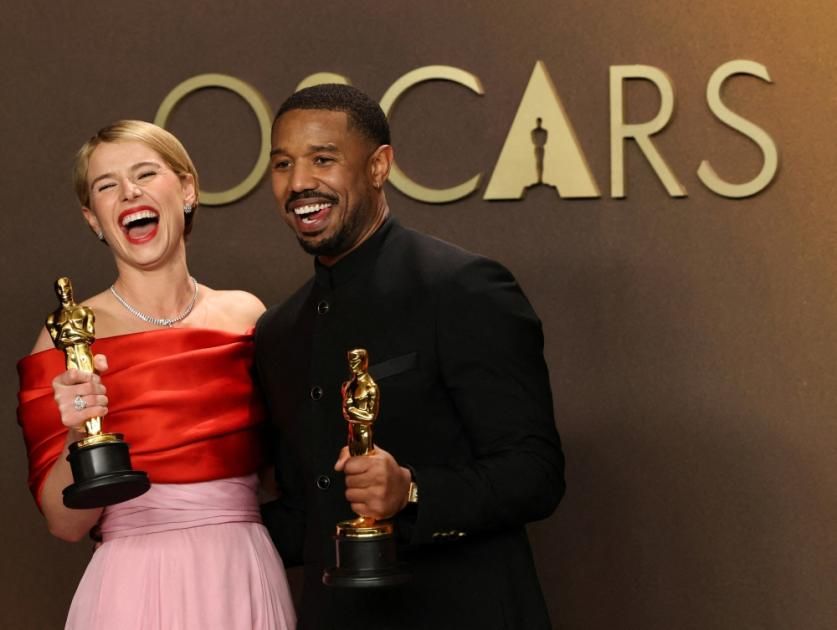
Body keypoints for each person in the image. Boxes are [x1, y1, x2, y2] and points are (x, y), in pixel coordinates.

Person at [255, 84, 565, 629]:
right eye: (283, 164)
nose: (299, 182)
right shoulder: (278, 332)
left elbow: (534, 473)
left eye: (323, 159)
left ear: (378, 166)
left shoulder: (463, 288)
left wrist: (413, 490)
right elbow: (306, 513)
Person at [16, 120, 295, 630]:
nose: (129, 192)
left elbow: (288, 470)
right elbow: (65, 524)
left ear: (187, 189)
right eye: (107, 185)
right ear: (93, 218)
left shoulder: (247, 317)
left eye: (145, 173)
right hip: (132, 587)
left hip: (242, 576)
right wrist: (78, 435)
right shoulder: (67, 338)